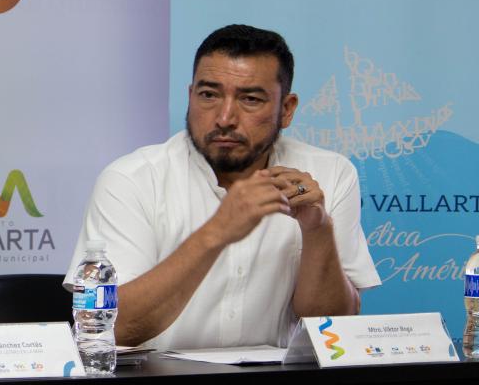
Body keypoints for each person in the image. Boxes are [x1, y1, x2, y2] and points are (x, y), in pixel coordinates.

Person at [65, 24, 380, 350]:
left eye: (250, 99)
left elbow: (333, 328)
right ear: (190, 97)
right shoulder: (130, 179)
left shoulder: (330, 174)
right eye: (209, 95)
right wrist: (217, 231)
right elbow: (113, 328)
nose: (225, 117)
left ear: (286, 110)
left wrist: (318, 231)